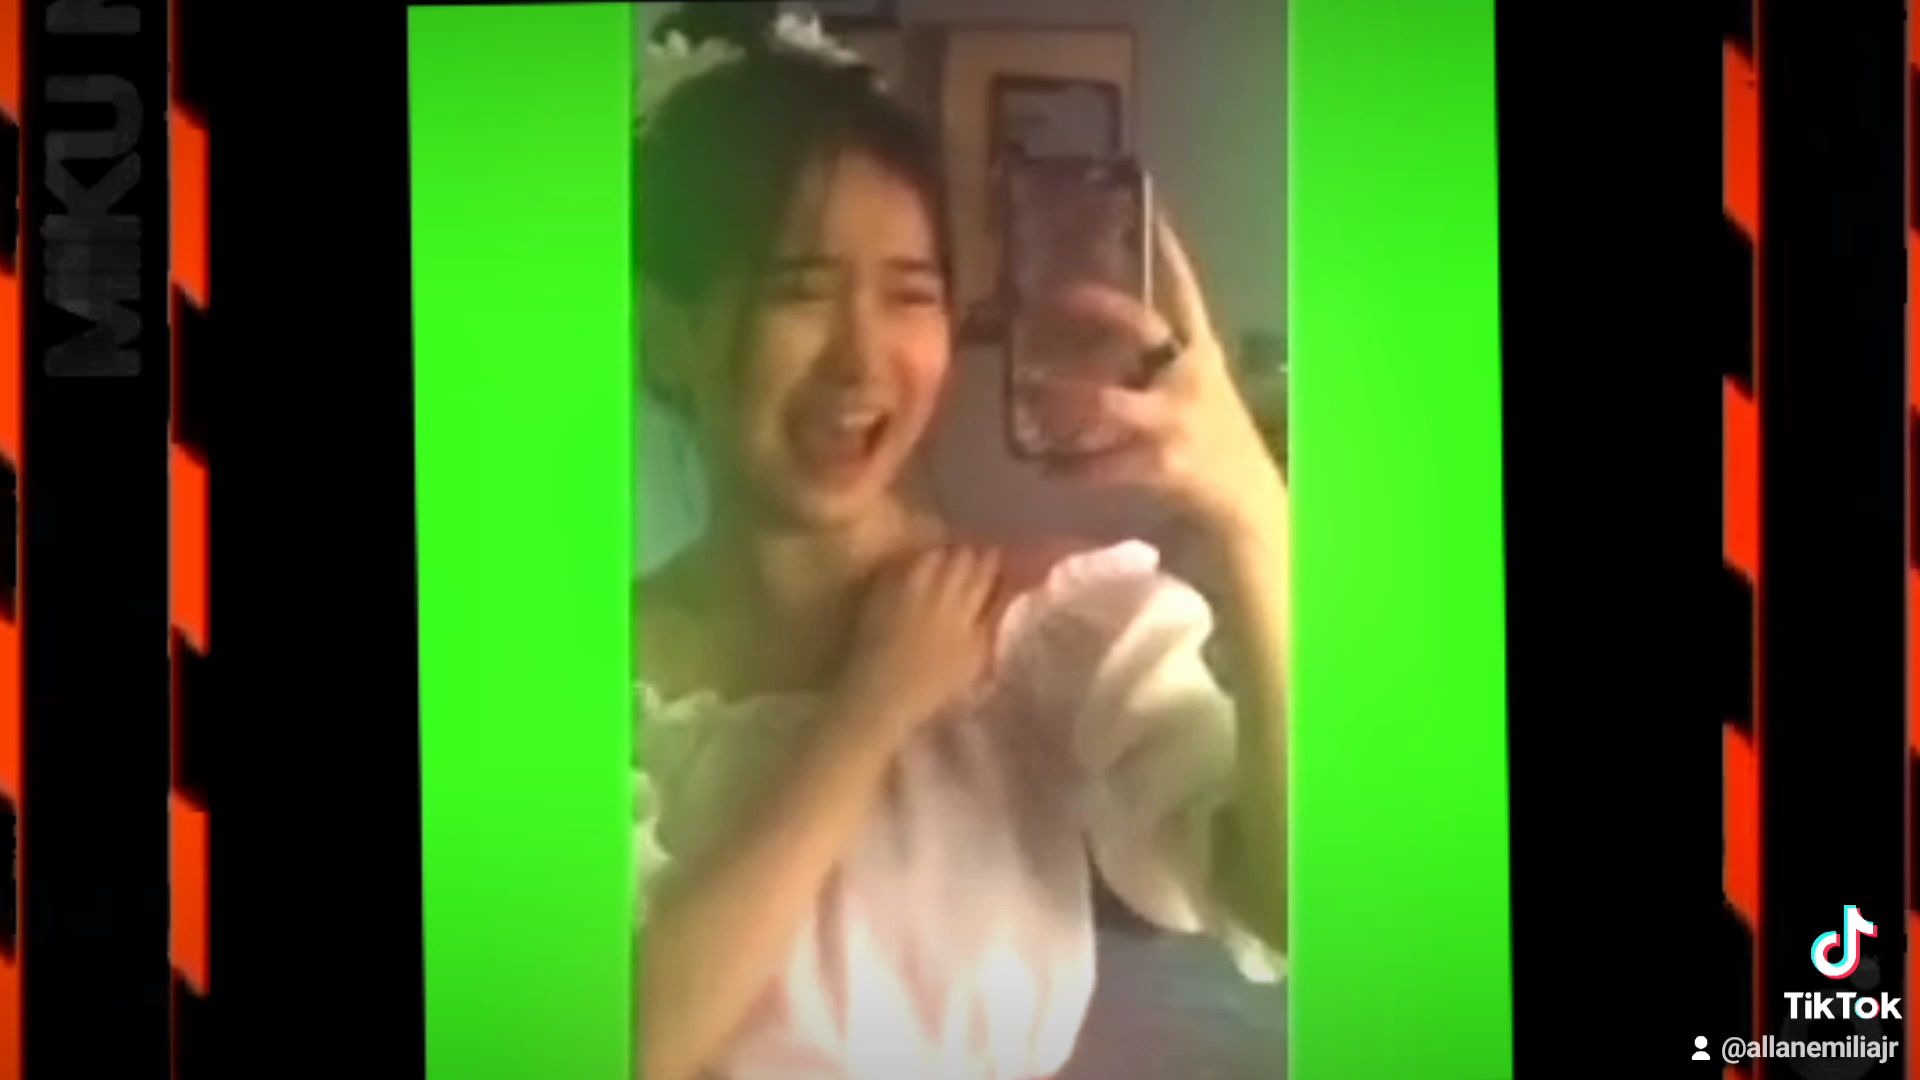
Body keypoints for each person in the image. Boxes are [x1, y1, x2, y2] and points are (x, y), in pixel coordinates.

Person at [633, 9, 1290, 1079]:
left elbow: (1296, 901)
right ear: (669, 331)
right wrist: (867, 716)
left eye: (912, 292)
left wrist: (1254, 514)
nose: (863, 362)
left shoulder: (1048, 618)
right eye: (800, 290)